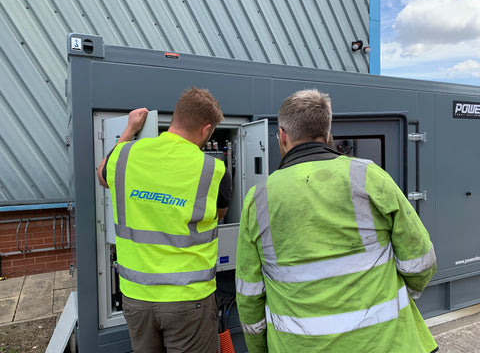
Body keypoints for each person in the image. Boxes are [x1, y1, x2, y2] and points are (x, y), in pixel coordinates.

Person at [235, 89, 438, 352]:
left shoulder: (258, 199)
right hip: (386, 342)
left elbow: (249, 296)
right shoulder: (370, 177)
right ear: (328, 133)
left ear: (282, 136)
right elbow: (420, 262)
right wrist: (394, 295)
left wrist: (260, 348)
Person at [97, 87, 231, 353]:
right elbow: (219, 215)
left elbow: (102, 174)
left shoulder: (125, 155)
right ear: (206, 130)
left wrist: (129, 130)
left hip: (137, 298)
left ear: (174, 119)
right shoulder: (214, 170)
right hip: (188, 300)